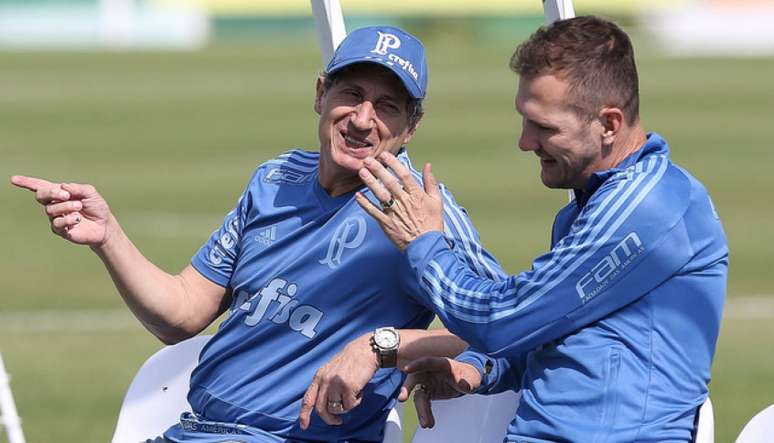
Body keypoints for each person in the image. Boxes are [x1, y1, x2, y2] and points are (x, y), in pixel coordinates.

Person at [10, 25, 506, 443]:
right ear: (320, 94)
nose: (362, 119)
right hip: (194, 429)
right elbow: (182, 313)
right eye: (351, 94)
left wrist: (386, 345)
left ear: (411, 128)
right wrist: (107, 236)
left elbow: (508, 325)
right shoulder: (275, 180)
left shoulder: (422, 209)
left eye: (387, 106)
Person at [310, 16, 729, 442]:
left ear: (609, 124)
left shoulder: (649, 205)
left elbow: (502, 319)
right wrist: (476, 369)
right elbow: (546, 340)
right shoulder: (588, 207)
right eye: (524, 120)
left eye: (544, 127)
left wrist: (424, 245)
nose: (525, 142)